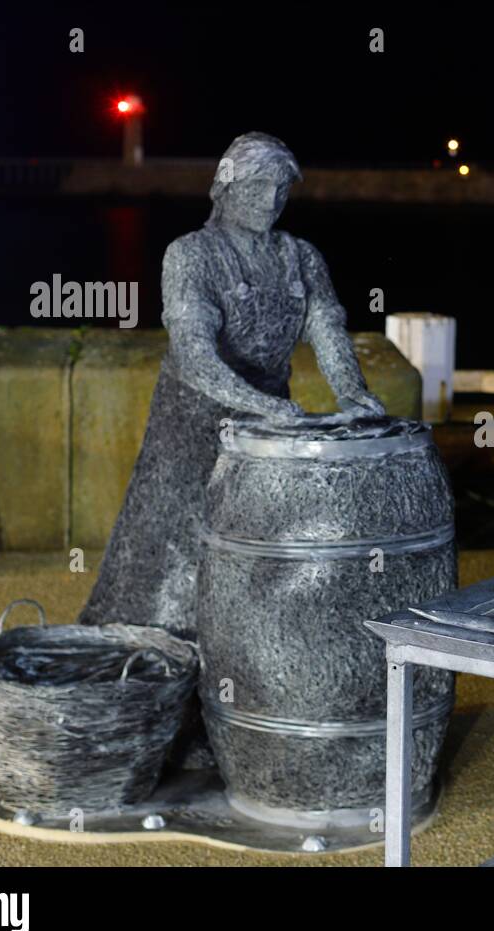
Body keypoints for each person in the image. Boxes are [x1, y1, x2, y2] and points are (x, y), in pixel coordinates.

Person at [80, 132, 384, 641]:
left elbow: (328, 329)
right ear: (226, 184)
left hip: (263, 434)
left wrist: (351, 393)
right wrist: (262, 405)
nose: (272, 200)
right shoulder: (191, 255)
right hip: (190, 433)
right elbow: (195, 355)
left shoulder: (301, 257)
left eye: (282, 188)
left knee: (252, 555)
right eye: (260, 185)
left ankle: (238, 669)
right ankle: (152, 661)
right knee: (168, 562)